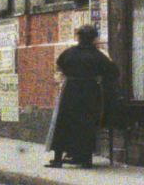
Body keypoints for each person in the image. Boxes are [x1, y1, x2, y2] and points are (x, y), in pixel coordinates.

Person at [45, 23, 119, 168]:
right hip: (90, 91)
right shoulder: (98, 55)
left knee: (64, 123)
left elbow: (60, 66)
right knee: (87, 125)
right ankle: (85, 159)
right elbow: (113, 72)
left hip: (70, 90)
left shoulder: (69, 53)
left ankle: (58, 158)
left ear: (79, 38)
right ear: (94, 39)